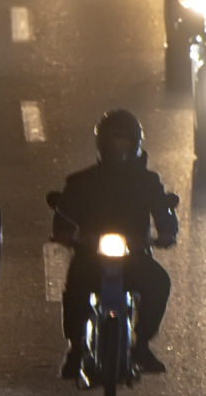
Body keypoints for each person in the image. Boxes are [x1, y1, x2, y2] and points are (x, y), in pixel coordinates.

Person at [49, 109, 179, 380]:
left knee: (159, 282)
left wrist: (167, 231)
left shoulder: (147, 181)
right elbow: (64, 214)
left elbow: (163, 212)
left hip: (135, 257)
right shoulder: (80, 182)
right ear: (102, 143)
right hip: (89, 256)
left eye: (124, 140)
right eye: (113, 140)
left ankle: (141, 345)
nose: (119, 146)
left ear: (135, 143)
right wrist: (64, 232)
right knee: (75, 289)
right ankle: (75, 348)